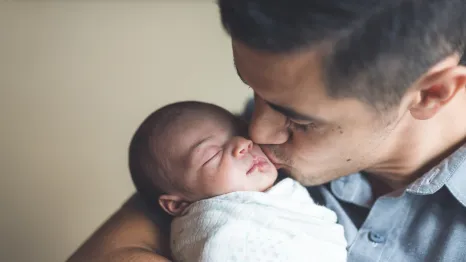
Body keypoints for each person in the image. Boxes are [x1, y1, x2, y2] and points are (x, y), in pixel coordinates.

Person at [67, 0, 466, 261]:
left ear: (432, 93)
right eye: (254, 92)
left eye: (300, 120)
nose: (256, 131)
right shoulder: (242, 148)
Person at [128, 100, 347, 262]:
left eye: (243, 133)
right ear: (178, 204)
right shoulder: (219, 233)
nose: (244, 144)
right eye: (212, 155)